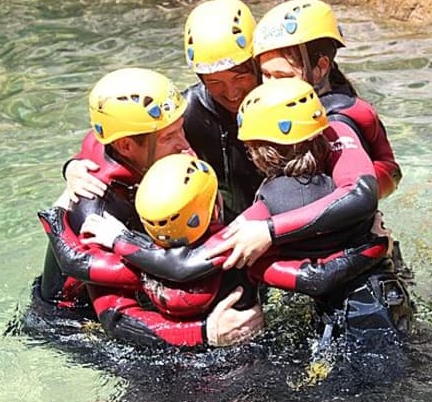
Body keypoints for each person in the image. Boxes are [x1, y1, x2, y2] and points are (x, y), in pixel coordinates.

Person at [86, 79, 413, 336]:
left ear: (260, 152)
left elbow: (188, 264)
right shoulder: (343, 186)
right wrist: (371, 248)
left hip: (343, 320)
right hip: (389, 300)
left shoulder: (268, 205)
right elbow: (327, 265)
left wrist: (119, 240)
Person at [37, 67, 263, 348]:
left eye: (181, 129)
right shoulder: (95, 213)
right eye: (170, 137)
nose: (184, 145)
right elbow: (116, 319)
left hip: (152, 277)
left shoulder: (145, 147)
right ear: (126, 145)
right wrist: (206, 333)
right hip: (79, 324)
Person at [66, 0, 264, 224]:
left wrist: (270, 229)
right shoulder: (191, 110)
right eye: (215, 82)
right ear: (200, 77)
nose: (231, 94)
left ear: (257, 62)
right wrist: (73, 167)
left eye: (241, 76)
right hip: (230, 227)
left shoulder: (288, 101)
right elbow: (121, 134)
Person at [252, 0, 403, 199]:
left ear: (321, 67)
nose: (270, 86)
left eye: (283, 77)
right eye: (266, 74)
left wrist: (268, 229)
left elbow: (360, 191)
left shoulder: (335, 123)